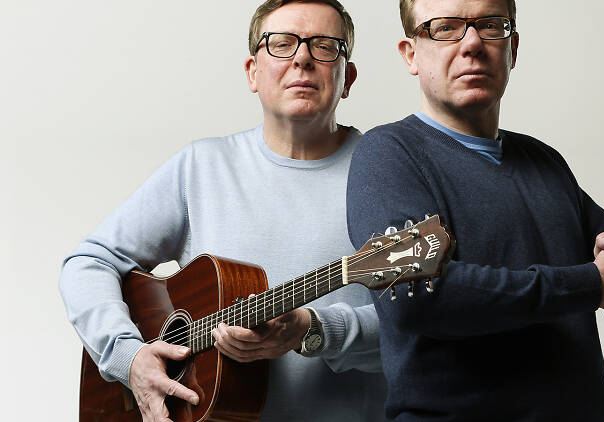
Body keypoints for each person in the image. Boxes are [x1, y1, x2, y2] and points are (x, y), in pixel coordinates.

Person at [346, 0, 604, 421]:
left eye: (491, 25)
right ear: (411, 54)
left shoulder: (544, 162)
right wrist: (592, 286)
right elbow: (412, 295)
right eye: (445, 27)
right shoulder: (387, 156)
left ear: (513, 47)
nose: (472, 43)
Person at [59, 1, 387, 421]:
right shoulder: (201, 166)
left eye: (324, 46)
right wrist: (129, 356)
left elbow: (422, 324)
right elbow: (88, 263)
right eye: (282, 44)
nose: (302, 57)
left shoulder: (386, 173)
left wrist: (317, 328)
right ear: (252, 72)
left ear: (347, 78)